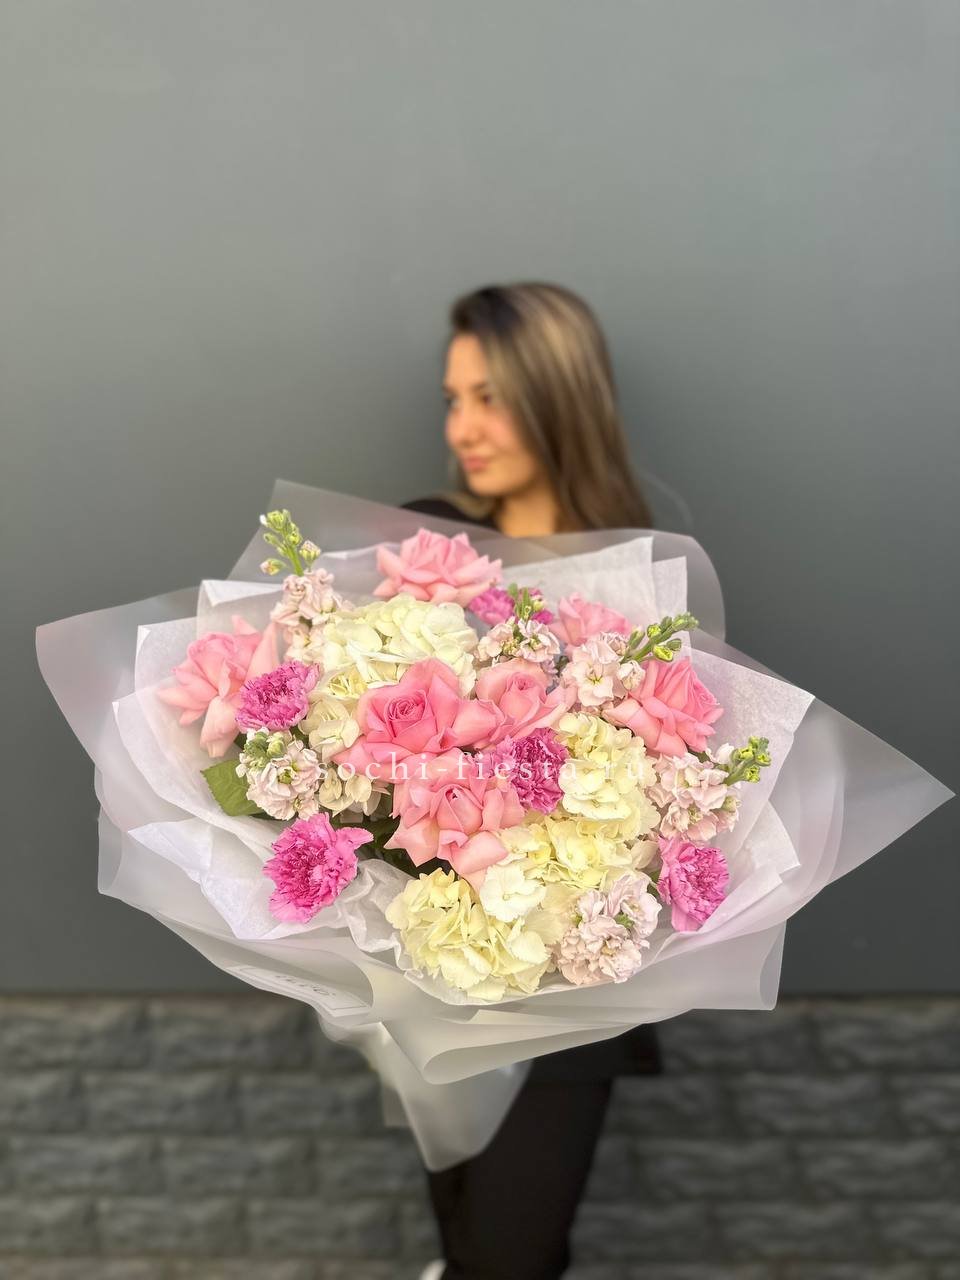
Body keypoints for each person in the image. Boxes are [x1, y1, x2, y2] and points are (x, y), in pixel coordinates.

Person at [403, 282, 664, 1280]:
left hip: (574, 992)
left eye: (491, 397)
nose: (460, 428)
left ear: (559, 397)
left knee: (505, 1256)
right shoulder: (433, 549)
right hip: (440, 978)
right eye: (452, 398)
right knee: (480, 1249)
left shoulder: (641, 579)